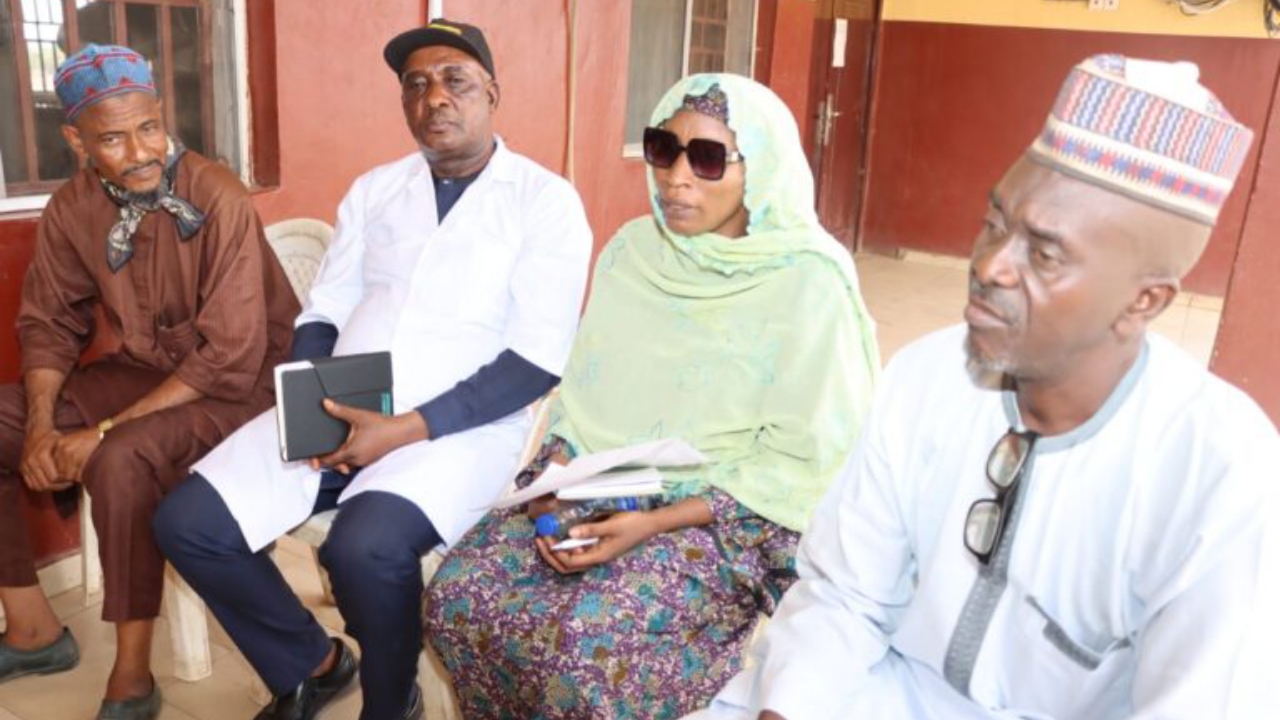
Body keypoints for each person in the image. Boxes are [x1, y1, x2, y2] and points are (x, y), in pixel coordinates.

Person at [689, 55, 1279, 720]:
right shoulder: (926, 376)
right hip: (886, 693)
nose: (991, 265)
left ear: (1143, 302)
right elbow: (844, 596)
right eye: (994, 223)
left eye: (1046, 253)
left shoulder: (1221, 470)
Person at [152, 20, 593, 720]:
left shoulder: (544, 202)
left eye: (454, 80)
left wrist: (403, 431)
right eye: (415, 85)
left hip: (459, 431)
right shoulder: (376, 189)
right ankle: (313, 663)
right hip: (340, 407)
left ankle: (392, 700)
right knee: (186, 521)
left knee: (365, 549)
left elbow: (536, 360)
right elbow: (325, 306)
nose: (434, 98)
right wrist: (311, 398)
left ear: (491, 93)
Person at [423, 73, 881, 720]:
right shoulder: (633, 253)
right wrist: (554, 484)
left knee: (581, 648)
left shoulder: (810, 286)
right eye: (665, 149)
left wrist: (652, 520)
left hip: (722, 515)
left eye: (709, 157)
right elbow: (582, 401)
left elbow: (804, 465)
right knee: (461, 597)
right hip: (602, 482)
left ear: (763, 169)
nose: (677, 178)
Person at [0, 44, 298, 720]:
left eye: (149, 128)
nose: (139, 151)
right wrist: (45, 425)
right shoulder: (72, 208)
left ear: (163, 116)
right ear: (76, 140)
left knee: (118, 455)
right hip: (149, 372)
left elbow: (228, 356)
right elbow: (47, 323)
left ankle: (132, 675)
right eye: (112, 137)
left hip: (245, 385)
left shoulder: (216, 194)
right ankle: (33, 630)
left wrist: (98, 430)